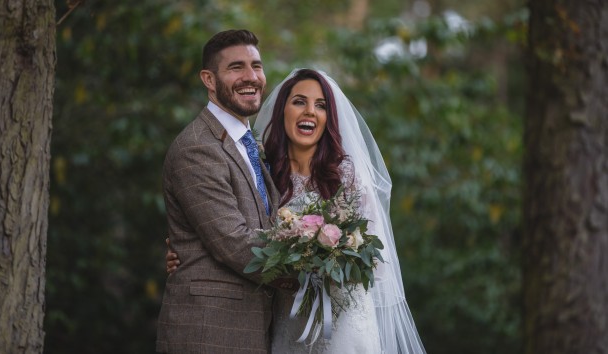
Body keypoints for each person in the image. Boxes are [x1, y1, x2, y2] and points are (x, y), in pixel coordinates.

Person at [167, 69, 426, 353]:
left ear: (329, 118)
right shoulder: (261, 170)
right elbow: (229, 229)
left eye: (321, 105)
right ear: (282, 111)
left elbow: (376, 263)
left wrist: (329, 260)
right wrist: (187, 251)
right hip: (285, 320)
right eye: (299, 101)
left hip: (342, 323)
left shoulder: (348, 175)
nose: (310, 112)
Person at [156, 29, 294, 354]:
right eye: (236, 67)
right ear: (208, 78)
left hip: (255, 326)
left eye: (256, 66)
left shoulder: (250, 143)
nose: (251, 77)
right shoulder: (196, 147)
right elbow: (232, 242)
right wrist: (312, 270)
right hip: (209, 332)